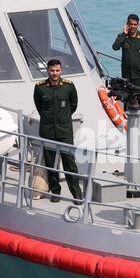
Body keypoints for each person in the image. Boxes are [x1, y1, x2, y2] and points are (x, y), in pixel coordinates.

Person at [33, 59, 82, 205]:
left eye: (57, 71)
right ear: (47, 71)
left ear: (61, 71)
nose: (55, 73)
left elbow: (73, 105)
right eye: (52, 71)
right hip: (48, 131)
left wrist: (62, 118)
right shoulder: (40, 88)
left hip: (64, 131)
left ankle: (77, 194)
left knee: (69, 163)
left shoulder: (68, 87)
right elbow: (39, 106)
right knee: (51, 164)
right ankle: (56, 192)